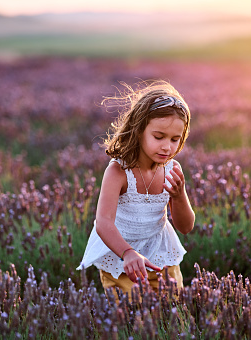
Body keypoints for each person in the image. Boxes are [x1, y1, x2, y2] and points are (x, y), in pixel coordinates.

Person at [77, 80, 195, 300]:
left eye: (175, 139)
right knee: (134, 316)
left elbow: (186, 227)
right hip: (123, 260)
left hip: (160, 257)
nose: (167, 147)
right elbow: (103, 222)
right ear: (139, 130)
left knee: (172, 310)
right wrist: (127, 253)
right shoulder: (118, 172)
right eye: (158, 137)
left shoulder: (172, 169)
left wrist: (179, 196)